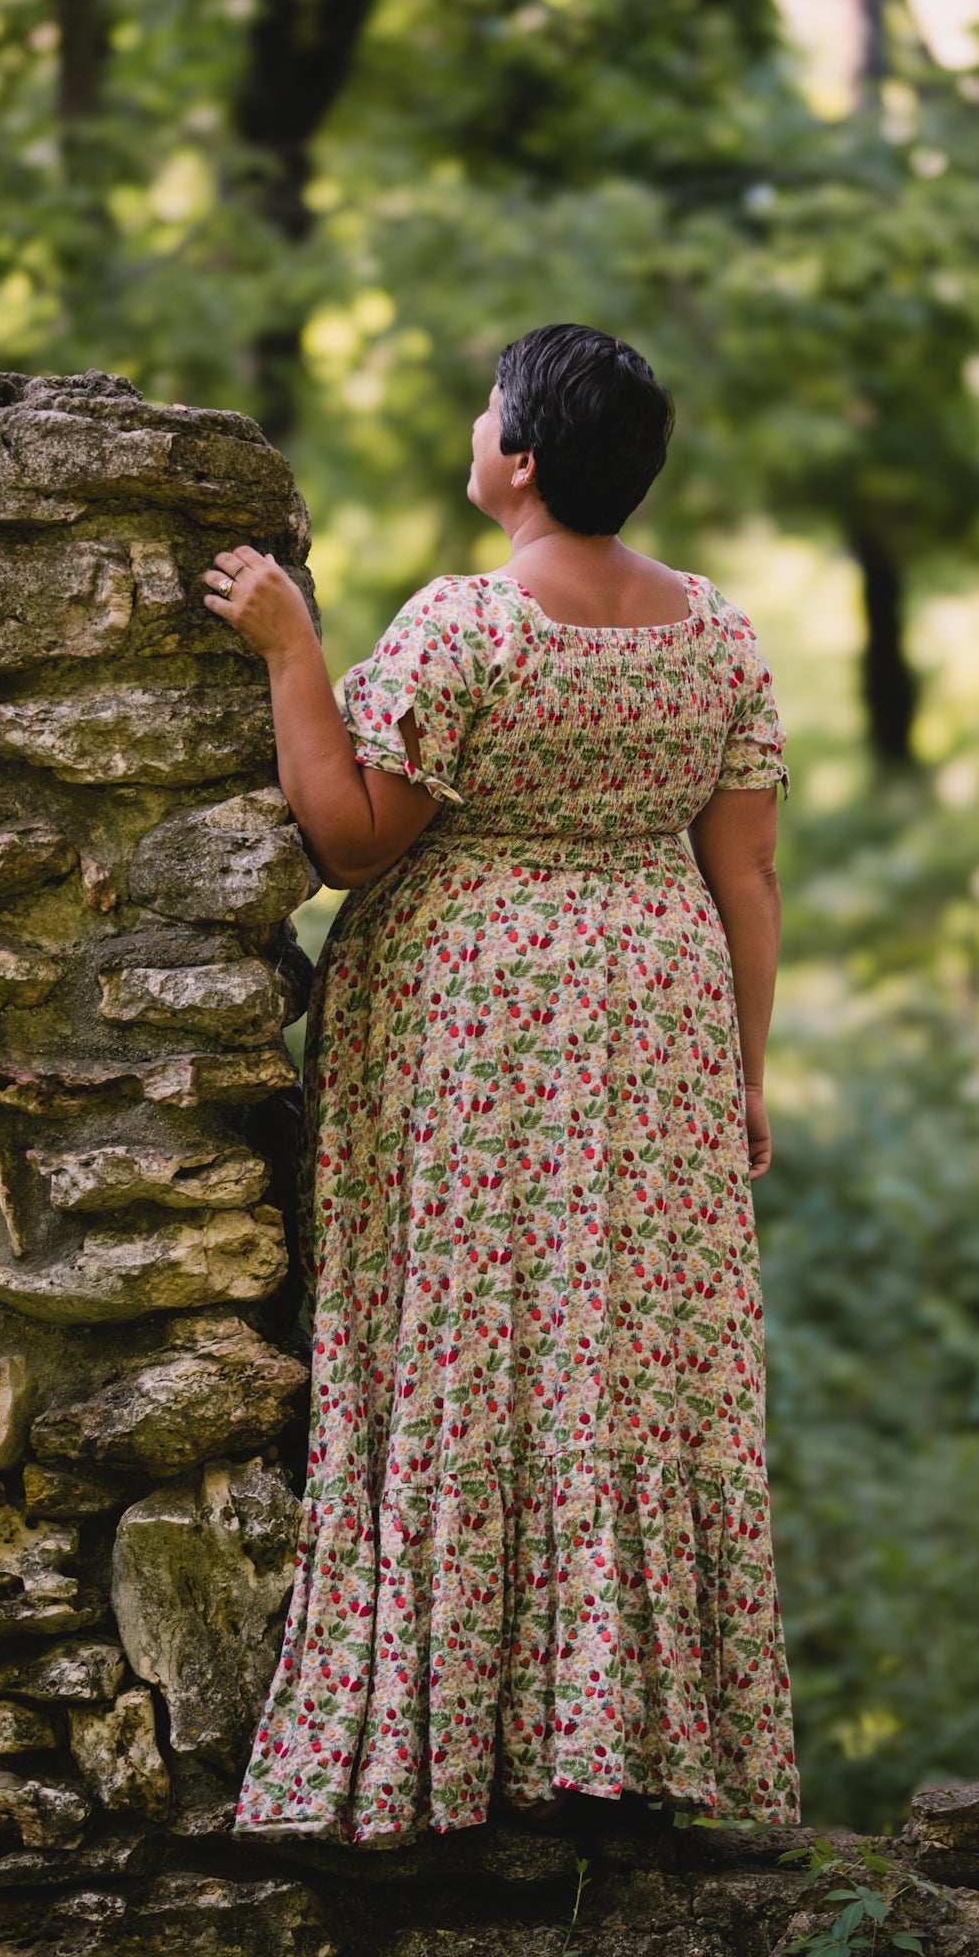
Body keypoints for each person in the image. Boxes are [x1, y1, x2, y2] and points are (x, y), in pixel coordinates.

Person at [205, 322, 800, 1843]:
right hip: (660, 1019)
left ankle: (451, 1745)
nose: (475, 428)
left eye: (486, 411)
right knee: (635, 1363)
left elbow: (350, 841)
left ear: (519, 460)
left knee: (473, 1350)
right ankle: (625, 1748)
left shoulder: (467, 625)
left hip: (478, 1021)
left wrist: (290, 649)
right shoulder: (720, 632)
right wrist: (743, 1075)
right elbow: (749, 879)